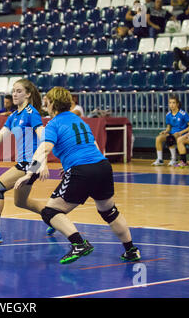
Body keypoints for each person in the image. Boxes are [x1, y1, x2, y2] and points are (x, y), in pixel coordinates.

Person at [14, 87, 141, 265]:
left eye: (47, 103)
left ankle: (79, 244)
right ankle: (131, 250)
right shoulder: (79, 121)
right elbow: (94, 146)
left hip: (82, 170)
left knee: (50, 211)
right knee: (109, 211)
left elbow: (44, 150)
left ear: (52, 104)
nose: (46, 106)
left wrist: (29, 173)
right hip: (102, 166)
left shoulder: (54, 123)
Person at [0, 78, 54, 246]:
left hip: (31, 163)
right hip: (24, 163)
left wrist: (42, 164)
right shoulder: (14, 116)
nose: (15, 94)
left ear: (28, 94)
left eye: (19, 91)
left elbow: (43, 137)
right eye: (13, 91)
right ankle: (53, 218)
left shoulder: (32, 113)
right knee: (20, 202)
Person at [152, 95, 189, 166]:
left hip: (182, 134)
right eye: (170, 103)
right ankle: (160, 159)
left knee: (170, 138)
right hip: (172, 133)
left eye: (173, 103)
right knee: (158, 138)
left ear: (177, 104)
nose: (171, 105)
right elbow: (169, 127)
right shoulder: (168, 114)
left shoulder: (183, 114)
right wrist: (165, 131)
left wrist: (180, 133)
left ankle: (174, 159)